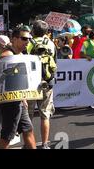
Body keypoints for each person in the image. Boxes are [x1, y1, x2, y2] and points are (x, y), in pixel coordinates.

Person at [0, 29, 37, 149]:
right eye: (24, 38)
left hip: (19, 99)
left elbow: (21, 79)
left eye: (29, 39)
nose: (27, 41)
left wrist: (23, 97)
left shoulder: (20, 55)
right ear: (14, 39)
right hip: (9, 101)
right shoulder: (7, 55)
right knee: (7, 135)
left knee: (28, 129)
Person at [27, 20, 57, 149]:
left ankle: (29, 144)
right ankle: (45, 144)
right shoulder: (51, 44)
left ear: (33, 30)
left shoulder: (28, 43)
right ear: (46, 32)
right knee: (45, 115)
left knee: (28, 116)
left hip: (31, 84)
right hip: (47, 83)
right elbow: (55, 63)